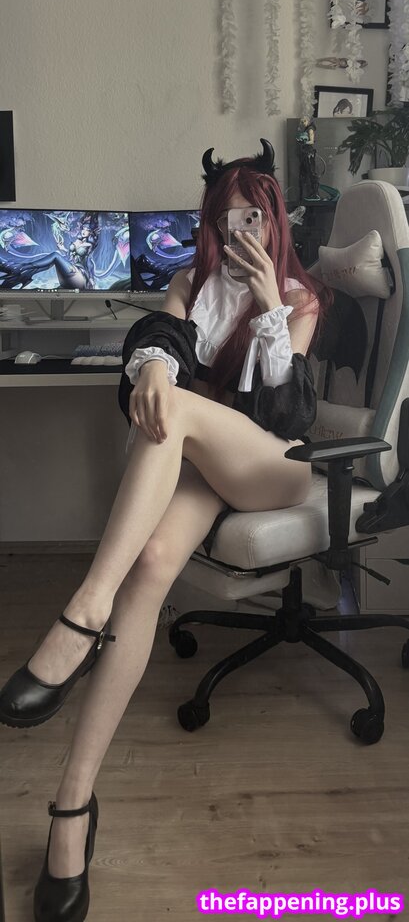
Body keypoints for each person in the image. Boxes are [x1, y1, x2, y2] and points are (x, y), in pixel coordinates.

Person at [0, 139, 332, 922]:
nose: (239, 230)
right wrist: (153, 360)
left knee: (176, 407)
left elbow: (287, 413)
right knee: (150, 562)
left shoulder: (302, 298)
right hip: (204, 465)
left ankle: (81, 616)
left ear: (274, 220)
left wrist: (269, 309)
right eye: (224, 219)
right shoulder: (188, 283)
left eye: (253, 216)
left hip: (273, 464)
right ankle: (72, 807)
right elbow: (165, 345)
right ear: (208, 226)